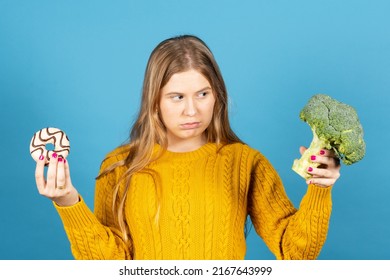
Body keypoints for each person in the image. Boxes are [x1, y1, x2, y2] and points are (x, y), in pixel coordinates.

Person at [35, 35, 341, 260]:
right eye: (177, 97)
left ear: (217, 95)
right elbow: (109, 265)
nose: (192, 111)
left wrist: (319, 188)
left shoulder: (245, 162)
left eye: (203, 94)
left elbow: (295, 253)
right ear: (154, 99)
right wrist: (67, 201)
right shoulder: (119, 165)